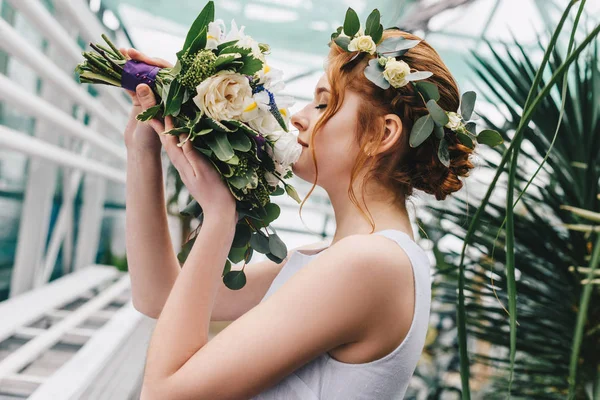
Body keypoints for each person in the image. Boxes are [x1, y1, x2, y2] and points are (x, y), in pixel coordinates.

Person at [122, 24, 474, 400]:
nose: (300, 117)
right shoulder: (339, 258)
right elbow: (160, 297)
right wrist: (143, 148)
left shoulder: (370, 264)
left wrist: (220, 217)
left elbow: (164, 393)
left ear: (381, 135)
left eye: (323, 103)